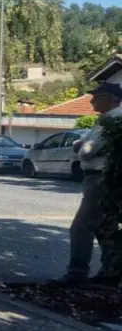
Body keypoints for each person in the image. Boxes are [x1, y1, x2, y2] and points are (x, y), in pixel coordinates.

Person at [54, 82, 122, 286]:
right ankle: (111, 272)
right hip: (102, 176)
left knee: (81, 226)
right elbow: (80, 144)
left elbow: (85, 150)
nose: (92, 100)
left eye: (97, 96)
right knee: (104, 226)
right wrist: (81, 145)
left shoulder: (112, 119)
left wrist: (82, 146)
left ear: (111, 99)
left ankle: (76, 273)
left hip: (99, 177)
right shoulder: (106, 119)